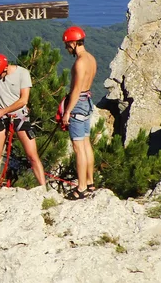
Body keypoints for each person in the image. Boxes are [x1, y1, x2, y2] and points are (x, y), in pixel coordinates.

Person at [0, 53, 46, 193]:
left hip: (19, 116)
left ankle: (43, 189)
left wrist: (3, 111)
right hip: (1, 117)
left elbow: (24, 100)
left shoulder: (22, 73)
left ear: (6, 68)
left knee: (32, 155)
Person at [62, 26, 97, 200]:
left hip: (78, 103)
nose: (67, 48)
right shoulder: (91, 58)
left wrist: (67, 111)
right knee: (86, 143)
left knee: (78, 148)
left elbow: (76, 90)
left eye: (68, 45)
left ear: (74, 43)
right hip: (88, 101)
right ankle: (90, 183)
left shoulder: (80, 62)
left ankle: (81, 187)